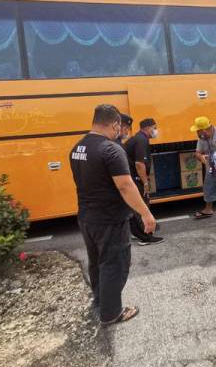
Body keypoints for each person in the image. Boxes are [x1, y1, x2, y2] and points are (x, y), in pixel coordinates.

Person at [70, 104, 156, 325]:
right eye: (120, 126)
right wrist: (146, 214)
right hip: (109, 219)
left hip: (86, 218)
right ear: (116, 124)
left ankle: (101, 301)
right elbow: (125, 186)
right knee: (114, 263)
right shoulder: (110, 149)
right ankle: (111, 313)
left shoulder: (77, 148)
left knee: (97, 261)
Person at [125, 118, 164, 246]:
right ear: (147, 128)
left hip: (131, 177)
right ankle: (145, 236)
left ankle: (137, 232)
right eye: (155, 127)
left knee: (135, 207)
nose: (156, 131)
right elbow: (139, 164)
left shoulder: (137, 138)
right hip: (135, 178)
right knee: (142, 205)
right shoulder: (141, 140)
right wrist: (145, 183)